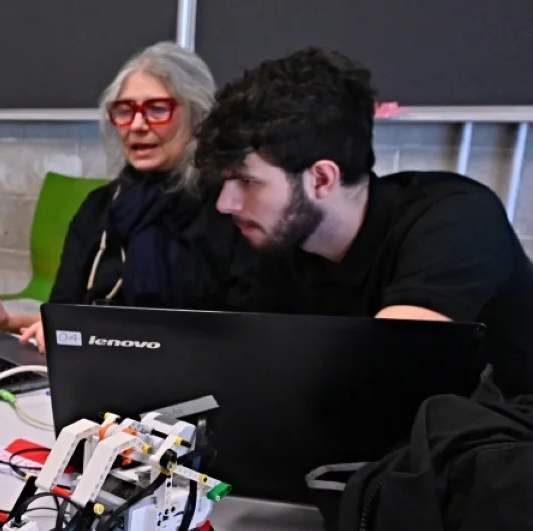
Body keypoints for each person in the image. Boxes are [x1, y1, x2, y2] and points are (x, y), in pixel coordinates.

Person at [196, 47, 533, 395]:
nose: (225, 203)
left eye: (248, 182)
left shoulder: (457, 219)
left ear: (322, 179)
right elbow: (250, 369)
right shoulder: (283, 245)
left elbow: (382, 375)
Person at [0, 42, 256, 352]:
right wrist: (6, 322)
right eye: (125, 110)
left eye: (157, 109)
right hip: (92, 373)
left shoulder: (229, 209)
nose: (136, 125)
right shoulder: (98, 208)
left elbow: (242, 336)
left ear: (198, 116)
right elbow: (64, 315)